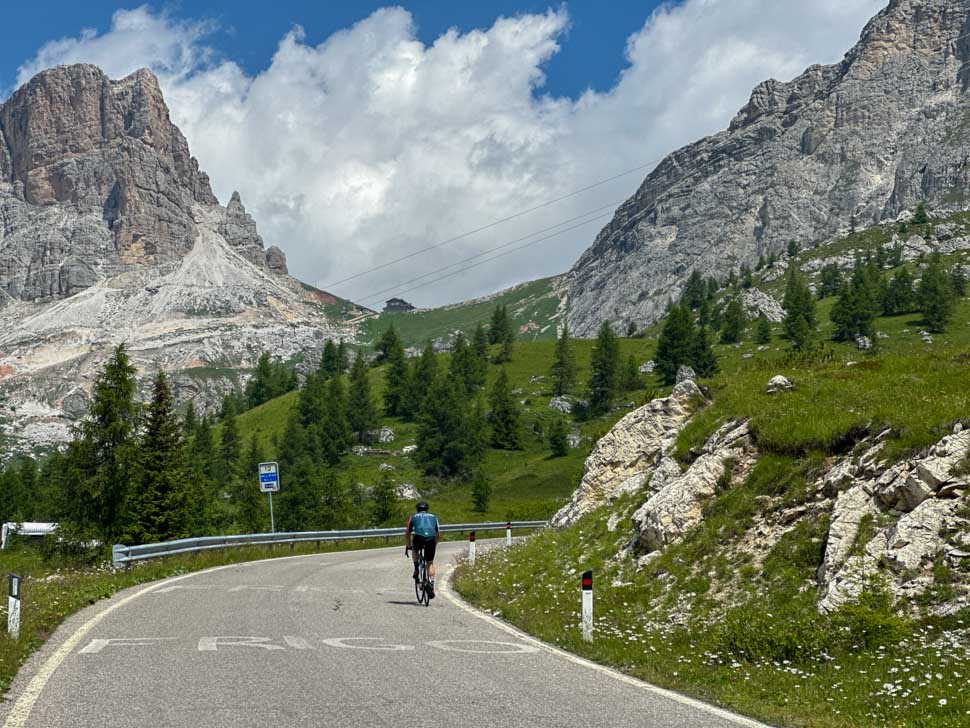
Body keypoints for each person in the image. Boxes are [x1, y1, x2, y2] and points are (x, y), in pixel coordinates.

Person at [405, 501, 440, 598]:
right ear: (427, 509)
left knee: (415, 550)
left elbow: (408, 533)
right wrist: (434, 544)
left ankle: (416, 568)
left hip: (418, 538)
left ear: (417, 509)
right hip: (431, 539)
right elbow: (438, 535)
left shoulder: (413, 517)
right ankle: (431, 586)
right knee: (430, 563)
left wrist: (408, 545)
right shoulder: (434, 517)